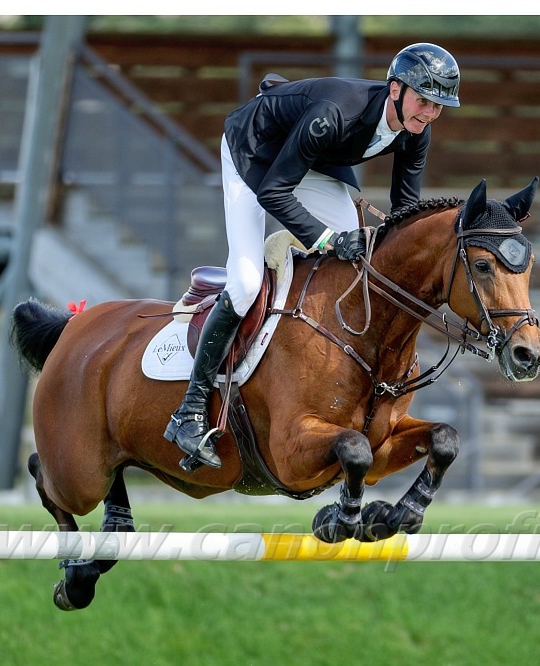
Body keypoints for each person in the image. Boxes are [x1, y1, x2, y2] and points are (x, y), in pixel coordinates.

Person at [164, 42, 461, 470]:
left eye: (438, 106)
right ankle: (189, 411)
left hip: (313, 161)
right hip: (255, 152)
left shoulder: (416, 128)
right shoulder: (334, 114)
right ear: (395, 89)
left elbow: (404, 213)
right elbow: (273, 192)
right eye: (423, 101)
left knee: (359, 257)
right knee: (245, 282)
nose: (430, 113)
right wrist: (327, 240)